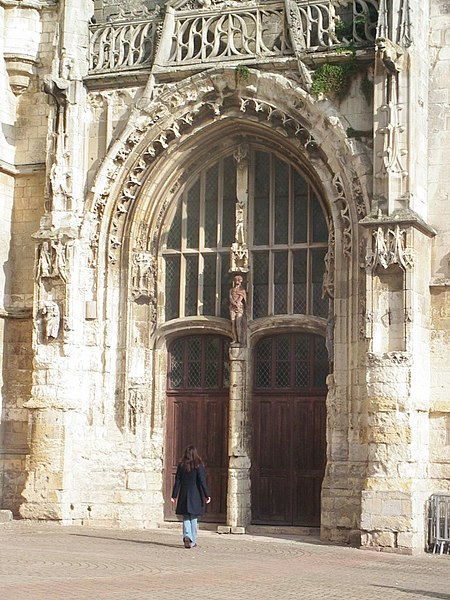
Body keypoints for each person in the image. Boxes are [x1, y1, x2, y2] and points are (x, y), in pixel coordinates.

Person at [171, 445, 211, 549]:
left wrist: (174, 495)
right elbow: (202, 481)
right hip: (195, 494)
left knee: (185, 516)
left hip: (184, 493)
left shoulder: (181, 465)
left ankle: (187, 535)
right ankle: (192, 540)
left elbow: (177, 481)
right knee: (193, 517)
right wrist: (207, 494)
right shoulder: (198, 465)